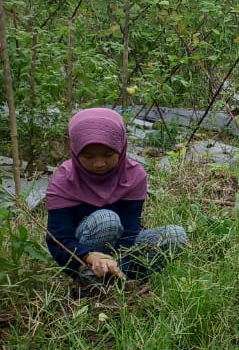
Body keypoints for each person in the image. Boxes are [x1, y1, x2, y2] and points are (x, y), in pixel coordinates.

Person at [45, 108, 187, 290]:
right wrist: (90, 256)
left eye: (108, 155)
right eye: (88, 157)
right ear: (75, 151)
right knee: (107, 219)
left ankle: (114, 280)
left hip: (121, 251)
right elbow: (58, 238)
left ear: (121, 148)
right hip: (80, 256)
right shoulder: (64, 180)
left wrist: (119, 265)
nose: (99, 163)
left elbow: (130, 232)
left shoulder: (133, 176)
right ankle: (89, 277)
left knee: (175, 236)